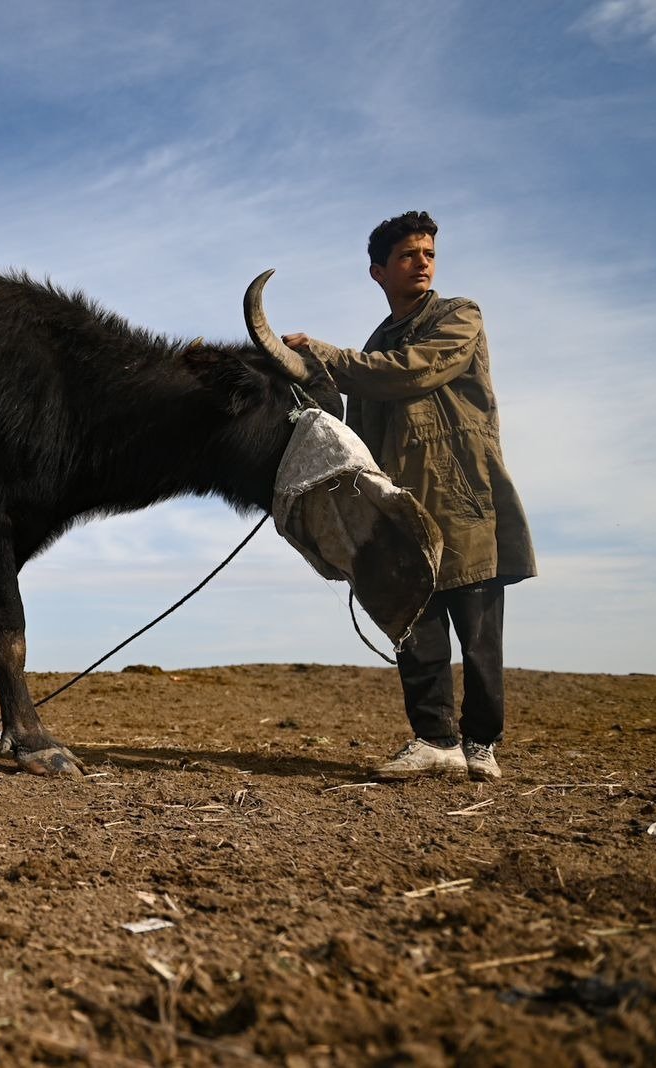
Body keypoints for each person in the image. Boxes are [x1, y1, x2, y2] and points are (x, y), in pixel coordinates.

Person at [281, 211, 536, 782]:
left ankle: (481, 746)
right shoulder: (376, 344)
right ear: (378, 272)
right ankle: (434, 740)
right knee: (414, 625)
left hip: (465, 496)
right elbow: (364, 417)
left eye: (427, 254)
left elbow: (410, 372)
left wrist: (326, 355)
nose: (421, 263)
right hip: (402, 505)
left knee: (478, 637)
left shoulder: (458, 317)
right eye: (406, 256)